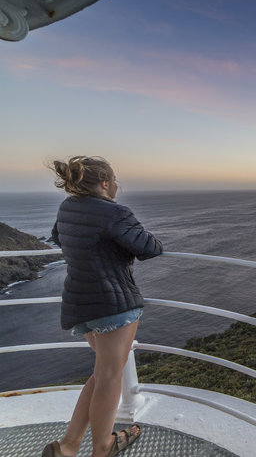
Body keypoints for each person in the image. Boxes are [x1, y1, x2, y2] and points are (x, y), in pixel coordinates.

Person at [43, 156, 163, 457]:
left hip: (79, 301)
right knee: (110, 377)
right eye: (114, 180)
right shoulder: (115, 212)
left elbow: (60, 237)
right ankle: (103, 447)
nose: (117, 186)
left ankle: (68, 445)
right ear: (105, 183)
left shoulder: (67, 208)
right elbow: (151, 248)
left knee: (102, 374)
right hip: (112, 303)